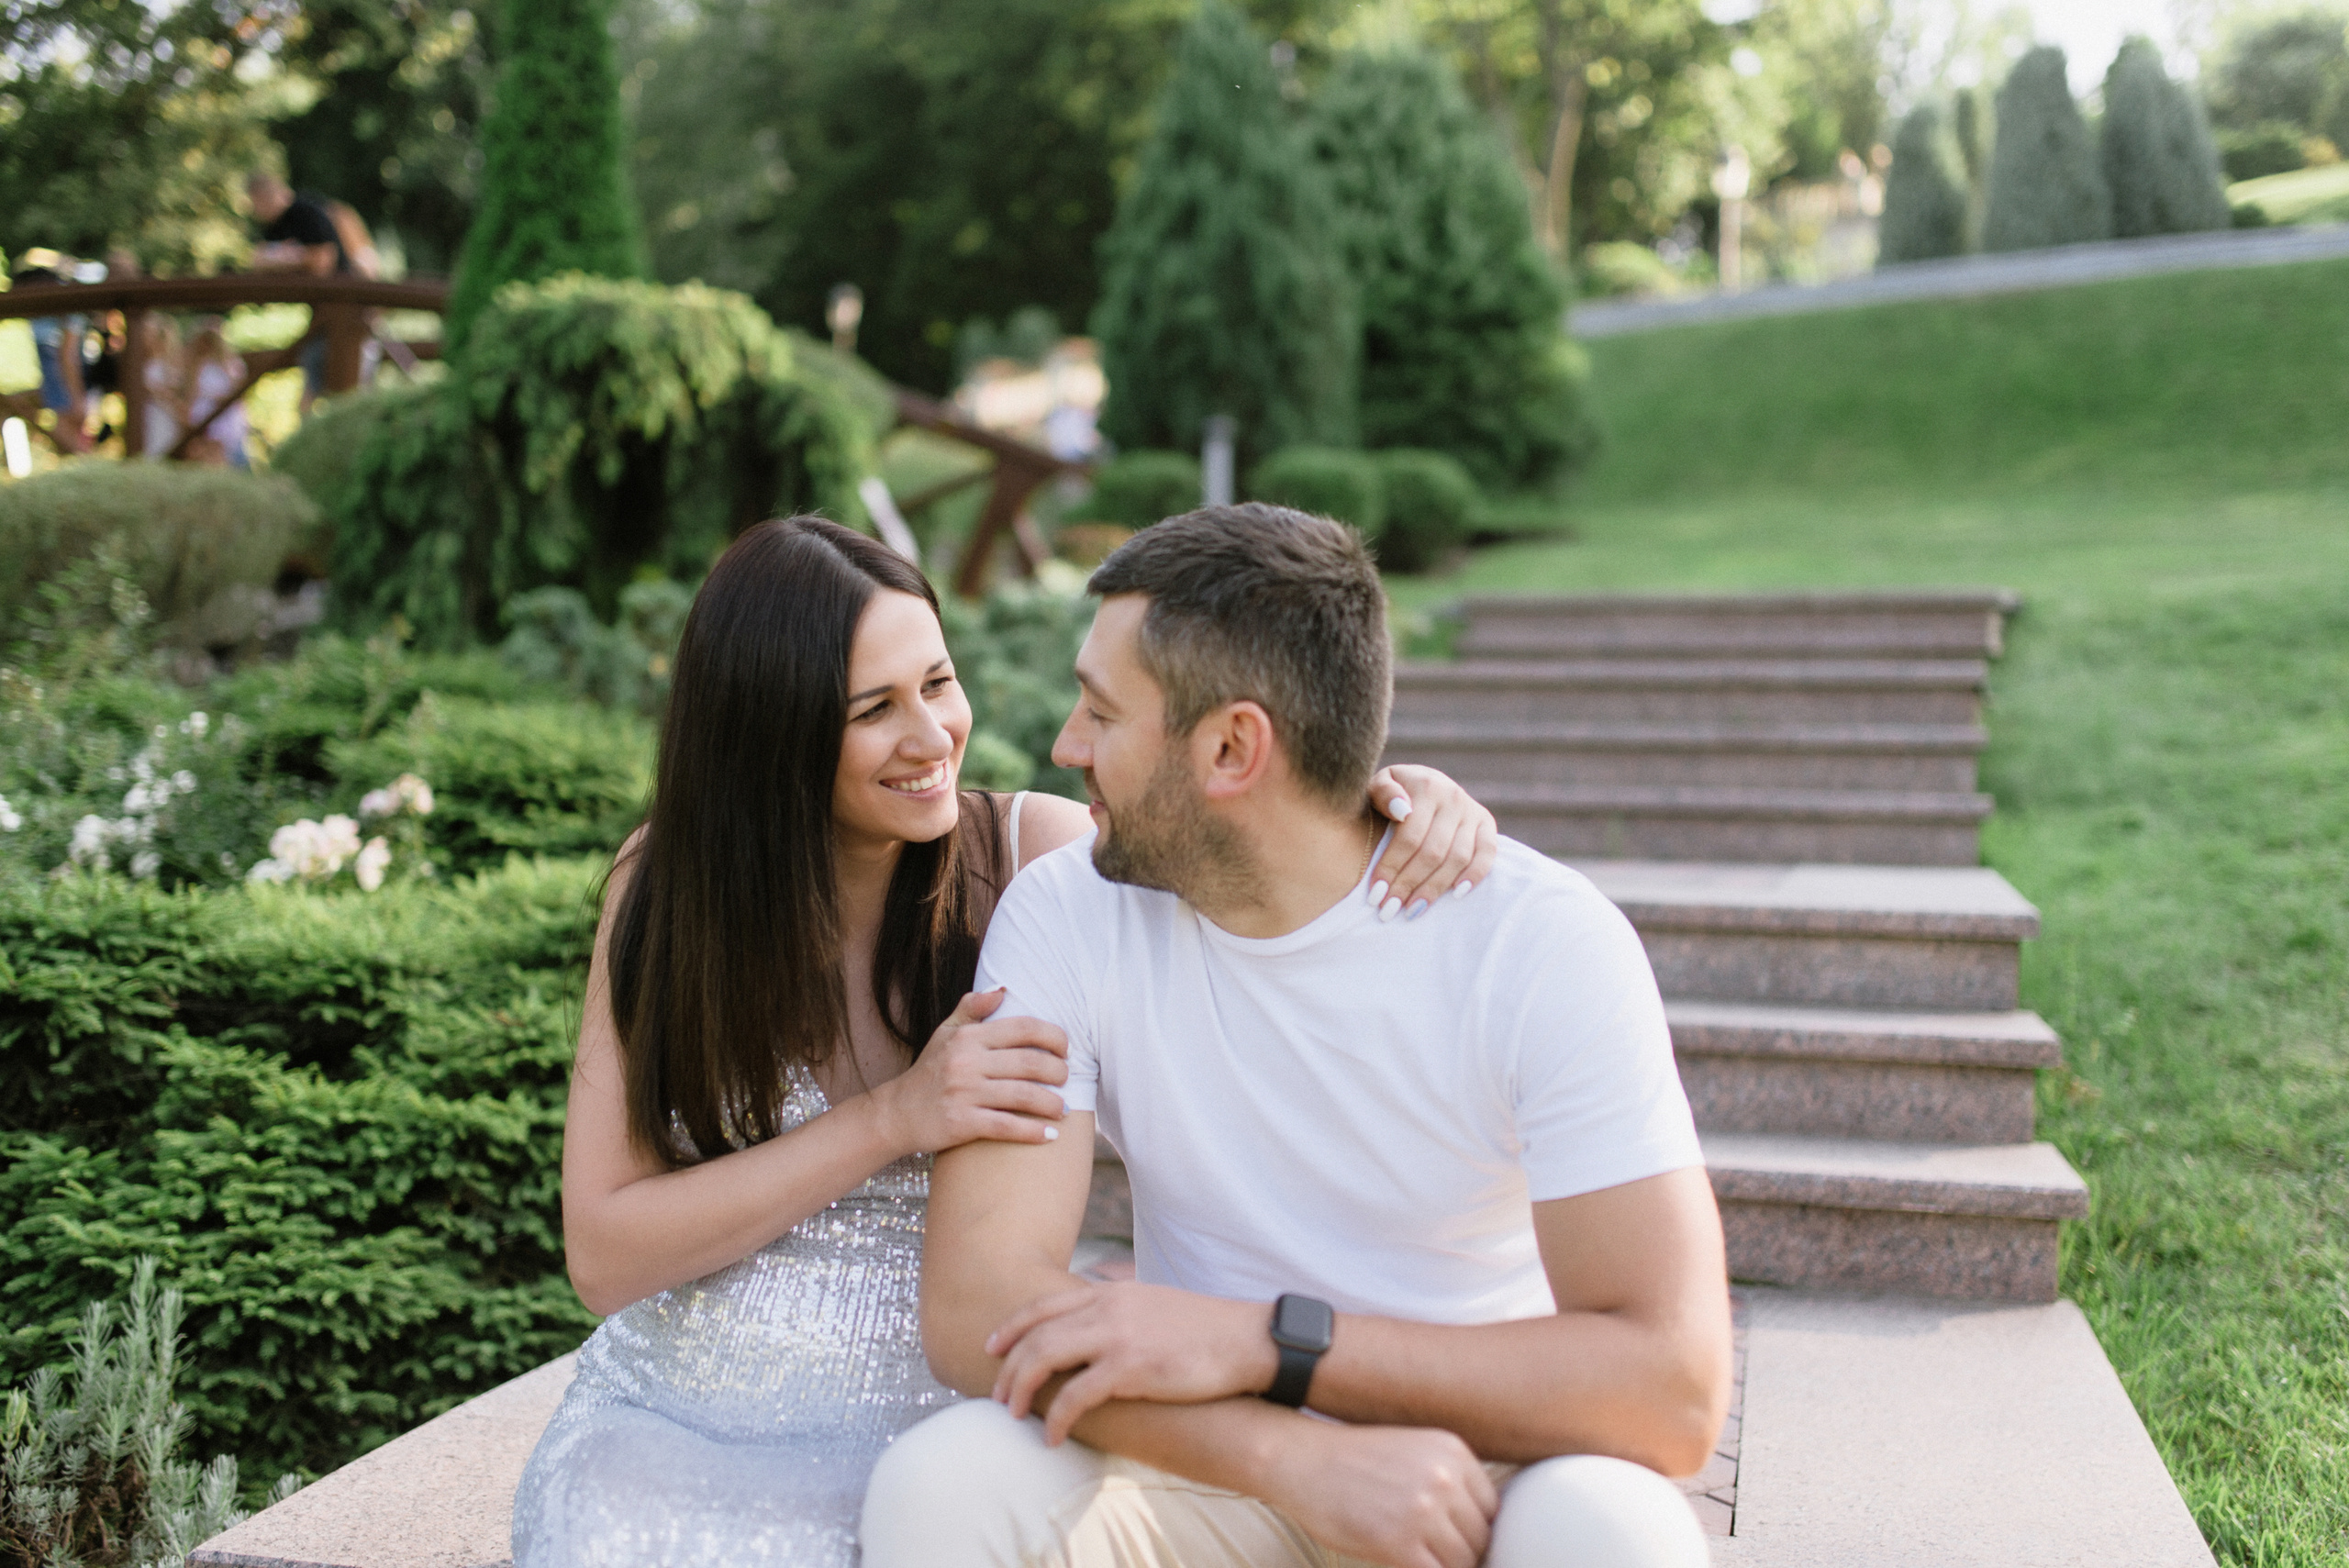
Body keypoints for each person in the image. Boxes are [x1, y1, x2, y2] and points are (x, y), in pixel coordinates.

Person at [507, 515, 1501, 1568]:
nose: (933, 735)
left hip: (931, 1400)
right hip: (678, 1404)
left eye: (938, 682)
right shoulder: (662, 887)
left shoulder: (1037, 860)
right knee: (611, 1533)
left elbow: (1249, 846)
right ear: (769, 730)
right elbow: (604, 1253)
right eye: (873, 709)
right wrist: (890, 1117)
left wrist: (1390, 799)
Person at [873, 504, 1732, 1568]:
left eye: (1101, 711)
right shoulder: (1069, 911)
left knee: (1615, 1532)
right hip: (1205, 1458)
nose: (1066, 744)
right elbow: (977, 1302)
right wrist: (1291, 1457)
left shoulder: (1540, 943)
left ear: (1233, 746)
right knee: (948, 1483)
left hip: (1481, 1465)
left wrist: (1261, 1341)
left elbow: (1673, 1389)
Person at [13, 250, 89, 453]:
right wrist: (77, 397)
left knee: (72, 449)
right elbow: (67, 356)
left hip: (57, 391)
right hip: (60, 391)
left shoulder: (49, 316)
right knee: (74, 450)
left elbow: (66, 356)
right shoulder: (64, 313)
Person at [184, 318, 251, 469]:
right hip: (204, 416)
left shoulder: (232, 364)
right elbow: (191, 393)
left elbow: (239, 390)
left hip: (227, 419)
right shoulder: (198, 366)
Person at [138, 314, 186, 462]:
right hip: (148, 412)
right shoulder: (141, 362)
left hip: (164, 414)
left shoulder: (169, 363)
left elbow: (176, 388)